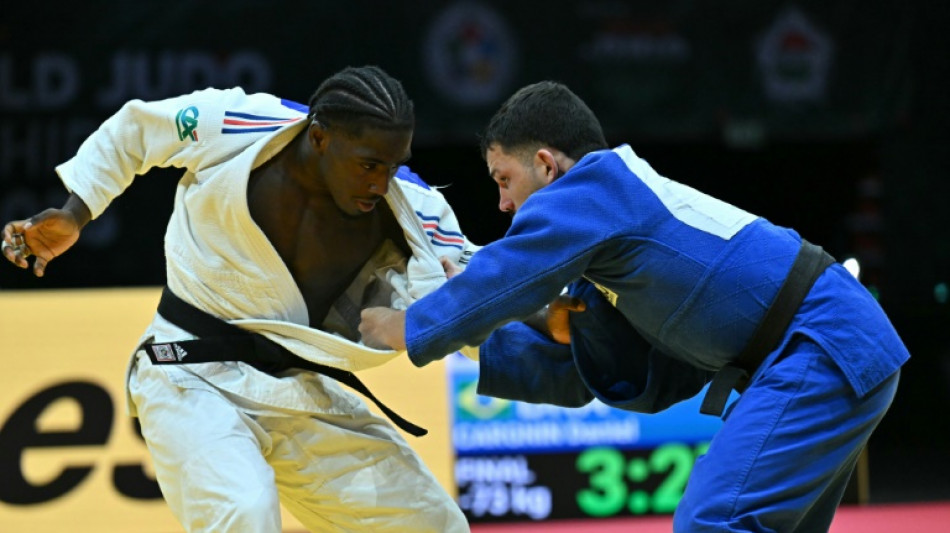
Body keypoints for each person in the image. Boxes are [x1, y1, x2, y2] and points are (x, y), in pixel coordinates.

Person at [359, 81, 910, 532]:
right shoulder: (614, 244)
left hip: (821, 342)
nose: (502, 203)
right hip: (826, 348)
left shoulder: (599, 187)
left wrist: (409, 325)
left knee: (713, 522)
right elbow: (585, 372)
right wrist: (481, 337)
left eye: (505, 180)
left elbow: (506, 277)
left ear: (548, 166)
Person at [1, 66, 474, 532]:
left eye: (394, 165)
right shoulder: (239, 123)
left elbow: (488, 293)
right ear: (320, 138)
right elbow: (135, 131)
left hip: (296, 388)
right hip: (187, 370)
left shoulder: (416, 208)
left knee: (433, 524)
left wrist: (544, 327)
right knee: (244, 514)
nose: (381, 182)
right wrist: (75, 213)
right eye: (369, 164)